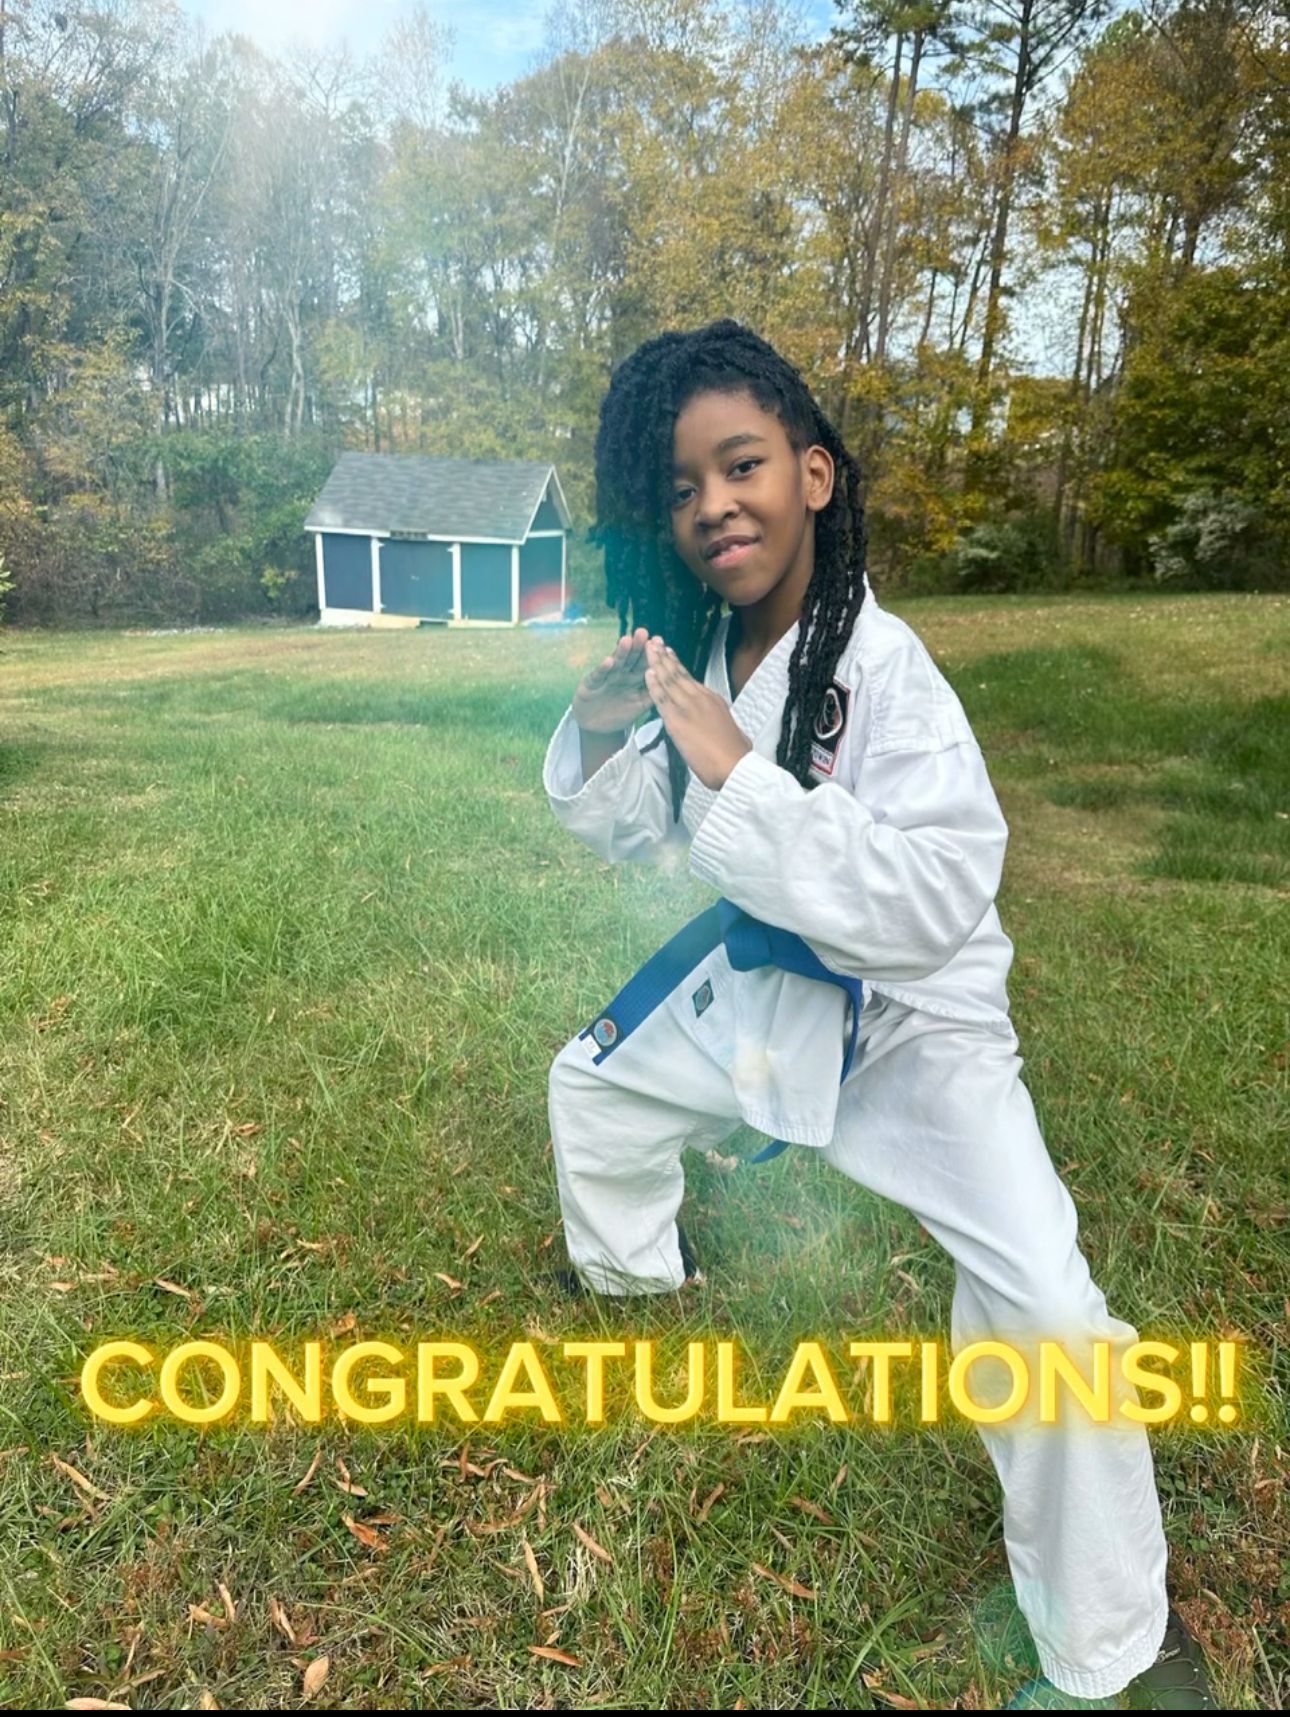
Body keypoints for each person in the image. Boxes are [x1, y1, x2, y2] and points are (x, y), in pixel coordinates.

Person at [541, 318, 1216, 1710]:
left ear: (813, 477)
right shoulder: (705, 649)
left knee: (1042, 1305)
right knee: (592, 1088)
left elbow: (934, 899)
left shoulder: (886, 666)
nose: (712, 503)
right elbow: (632, 835)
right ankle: (632, 1279)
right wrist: (621, 727)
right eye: (679, 487)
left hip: (913, 1023)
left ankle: (1118, 1655)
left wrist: (740, 775)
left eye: (740, 466)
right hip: (763, 983)